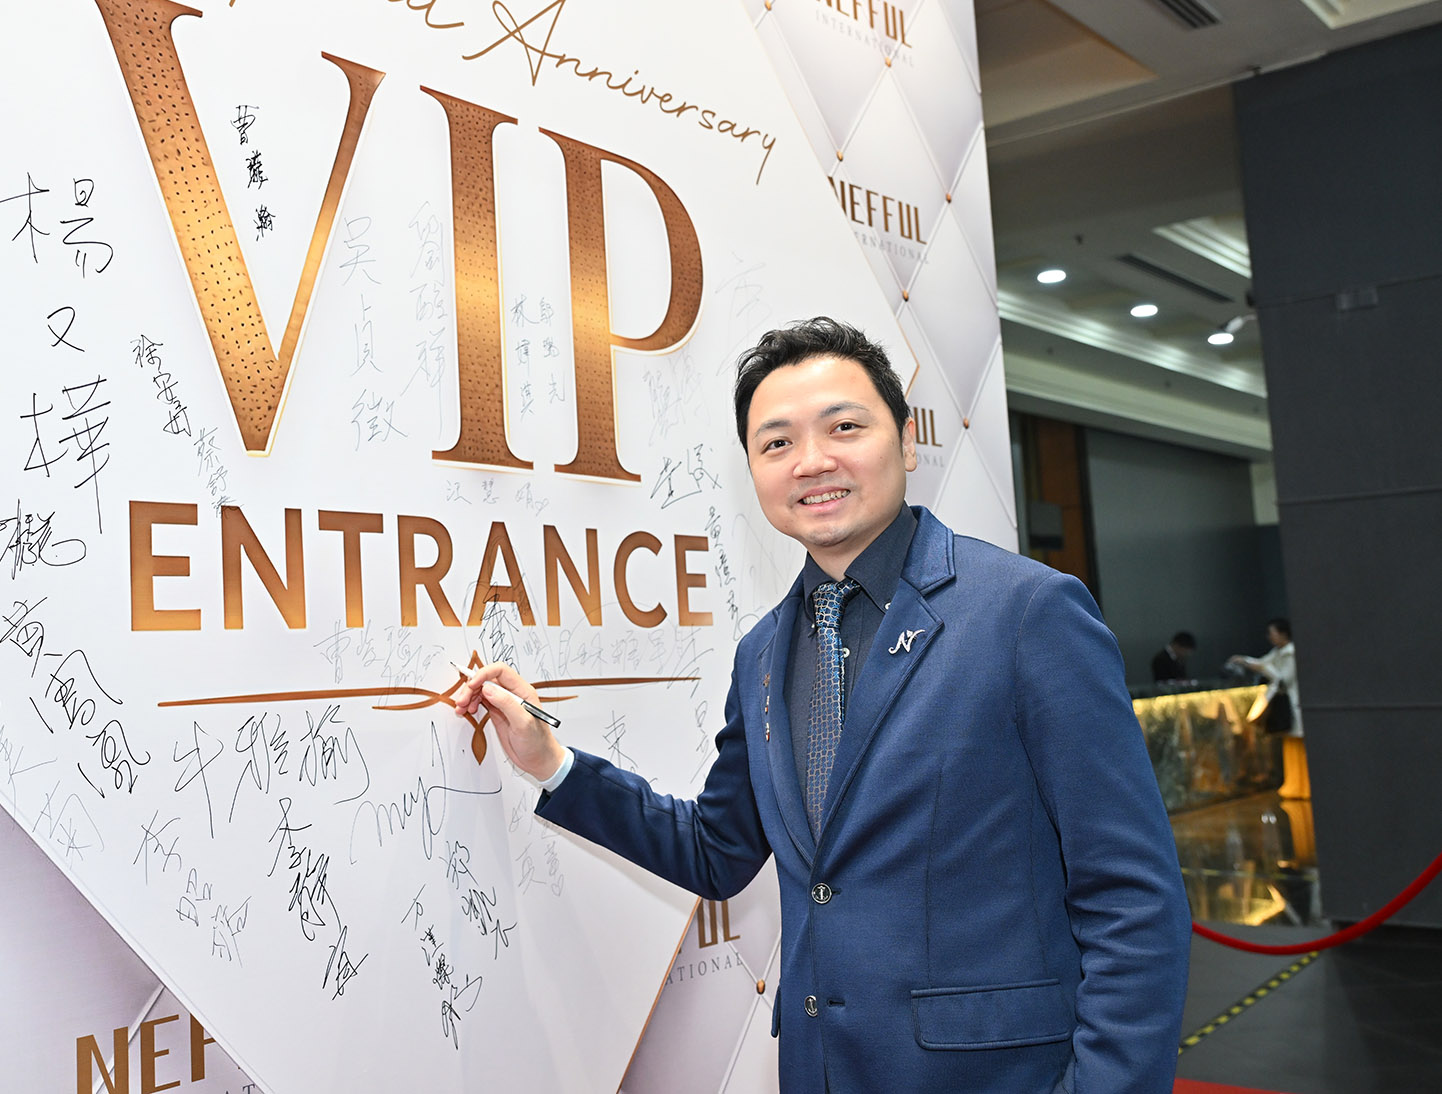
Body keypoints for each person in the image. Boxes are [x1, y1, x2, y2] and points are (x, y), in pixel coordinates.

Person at [456, 317, 1190, 1093]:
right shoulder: (763, 652)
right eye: (776, 442)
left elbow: (1132, 896)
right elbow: (717, 850)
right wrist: (552, 762)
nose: (812, 461)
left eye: (844, 427)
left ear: (907, 442)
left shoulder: (1026, 613)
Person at [1232, 618, 1307, 798]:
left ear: (1283, 633)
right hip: (1285, 704)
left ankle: (1303, 785)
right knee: (1290, 744)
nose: (1269, 637)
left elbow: (1283, 678)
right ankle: (1294, 784)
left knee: (1298, 746)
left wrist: (1264, 668)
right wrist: (1247, 661)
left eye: (1272, 633)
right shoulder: (1278, 652)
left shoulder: (1290, 653)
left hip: (1292, 704)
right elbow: (1263, 663)